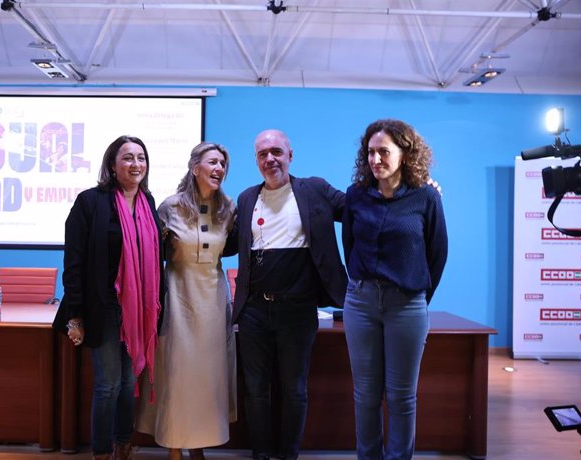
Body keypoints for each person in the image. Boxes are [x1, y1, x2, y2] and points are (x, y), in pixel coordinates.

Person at [230, 129, 348, 460]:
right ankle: (262, 454)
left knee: (294, 390)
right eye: (262, 154)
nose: (270, 159)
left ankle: (289, 455)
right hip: (254, 312)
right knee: (255, 390)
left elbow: (357, 208)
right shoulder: (246, 198)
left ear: (290, 155)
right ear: (256, 161)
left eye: (276, 152)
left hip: (297, 312)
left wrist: (409, 192)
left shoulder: (315, 189)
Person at [52, 135, 164, 460]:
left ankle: (122, 445)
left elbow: (154, 258)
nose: (135, 164)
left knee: (129, 382)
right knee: (109, 385)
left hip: (139, 310)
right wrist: (75, 315)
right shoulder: (90, 202)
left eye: (141, 157)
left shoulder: (148, 203)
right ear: (113, 165)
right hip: (104, 308)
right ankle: (101, 452)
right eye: (127, 158)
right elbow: (74, 261)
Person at [342, 119, 448, 460]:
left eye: (383, 152)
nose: (375, 159)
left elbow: (438, 252)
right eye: (370, 152)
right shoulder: (356, 195)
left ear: (405, 154)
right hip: (360, 303)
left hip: (407, 305)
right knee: (365, 395)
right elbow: (349, 246)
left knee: (402, 396)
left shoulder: (426, 196)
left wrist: (415, 296)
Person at [136, 142, 238, 460]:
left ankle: (199, 444)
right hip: (179, 298)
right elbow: (152, 255)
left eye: (223, 163)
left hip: (213, 299)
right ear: (195, 168)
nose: (219, 168)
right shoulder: (170, 207)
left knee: (207, 379)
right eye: (212, 162)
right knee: (177, 375)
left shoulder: (229, 209)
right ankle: (174, 444)